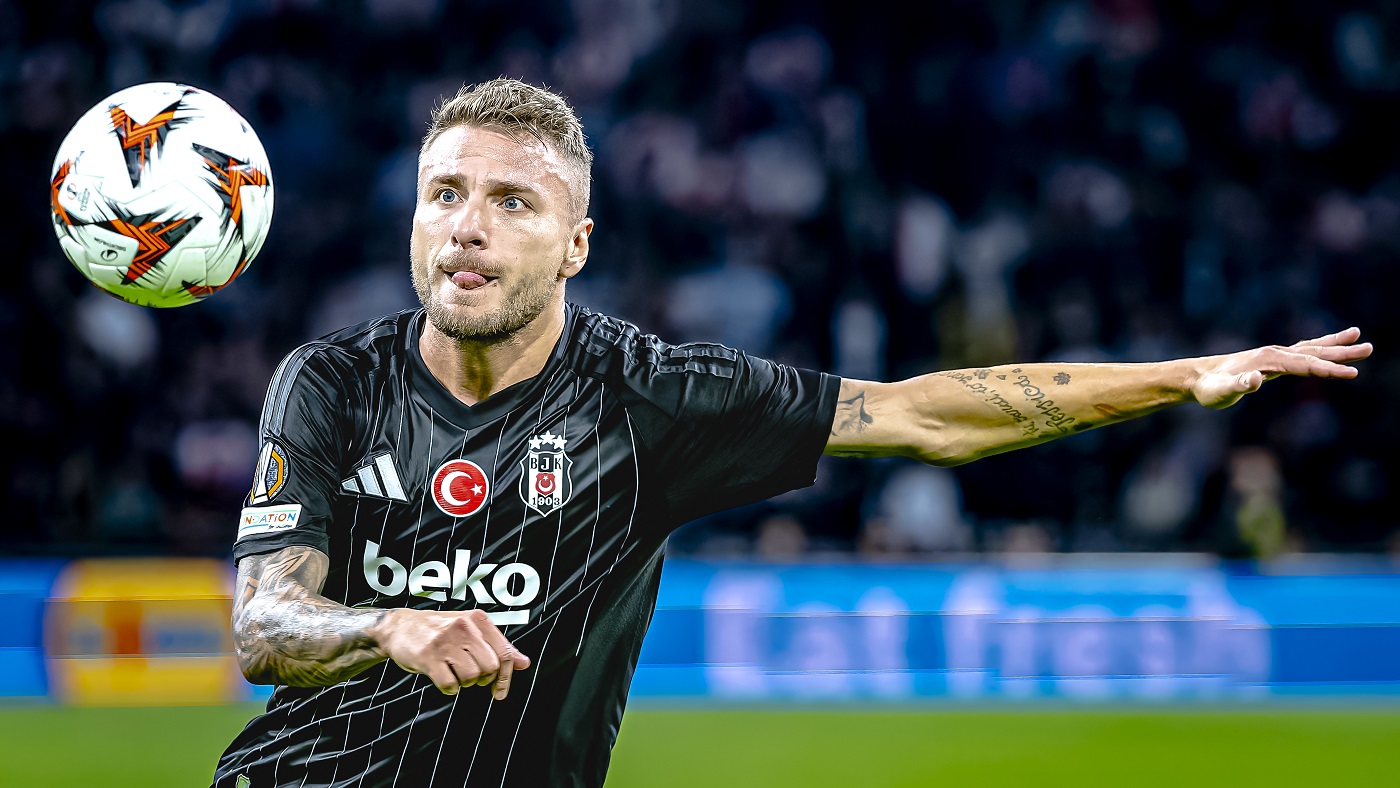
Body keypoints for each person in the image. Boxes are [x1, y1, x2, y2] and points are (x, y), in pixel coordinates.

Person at [211, 78, 1371, 787]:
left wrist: (1175, 377)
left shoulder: (652, 397)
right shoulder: (330, 381)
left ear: (575, 245)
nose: (466, 226)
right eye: (445, 193)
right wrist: (389, 623)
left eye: (512, 201)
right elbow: (263, 623)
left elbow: (920, 414)